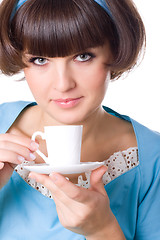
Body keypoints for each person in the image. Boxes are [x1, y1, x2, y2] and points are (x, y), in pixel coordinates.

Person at [0, 0, 159, 239]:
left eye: (83, 56)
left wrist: (102, 230)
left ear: (114, 51)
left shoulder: (152, 158)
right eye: (40, 60)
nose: (63, 84)